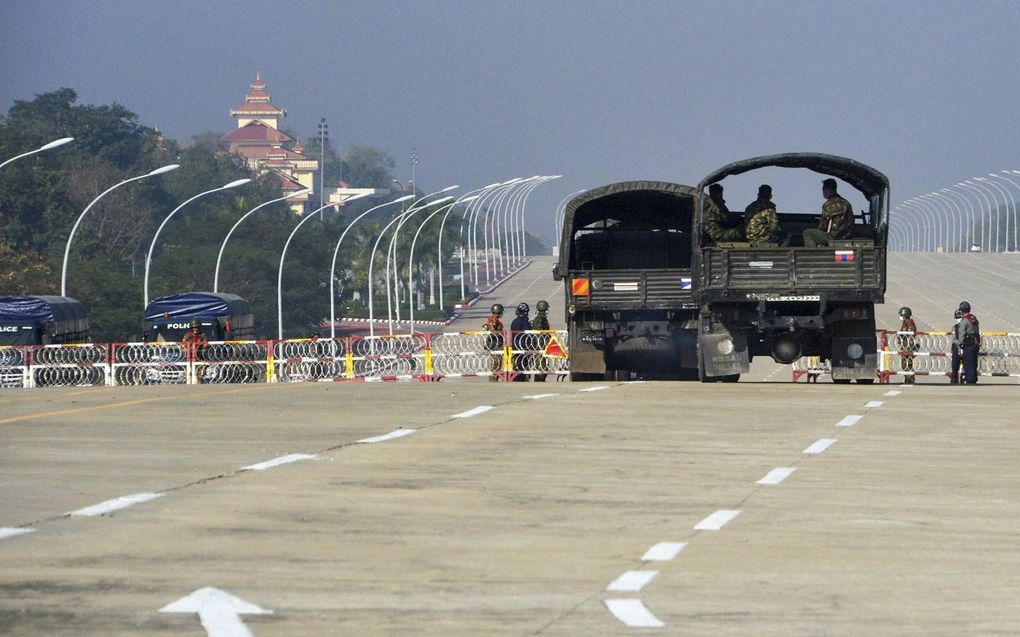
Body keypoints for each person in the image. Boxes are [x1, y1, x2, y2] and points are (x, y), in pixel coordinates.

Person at [804, 178, 854, 247]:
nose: (823, 193)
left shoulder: (828, 205)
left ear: (829, 190)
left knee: (807, 233)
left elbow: (823, 226)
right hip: (846, 236)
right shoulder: (846, 203)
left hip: (833, 237)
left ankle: (812, 254)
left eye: (824, 190)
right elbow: (851, 220)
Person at [957, 300, 981, 384]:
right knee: (974, 363)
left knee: (968, 363)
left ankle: (970, 381)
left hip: (969, 344)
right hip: (976, 344)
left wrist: (959, 344)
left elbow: (962, 334)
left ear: (962, 311)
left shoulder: (964, 321)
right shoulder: (973, 318)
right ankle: (973, 379)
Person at [510, 302, 532, 381]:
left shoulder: (514, 321)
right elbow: (528, 334)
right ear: (525, 312)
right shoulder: (524, 322)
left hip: (515, 346)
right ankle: (521, 378)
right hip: (523, 347)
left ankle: (515, 378)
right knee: (523, 365)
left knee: (516, 364)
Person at [483, 303, 504, 382]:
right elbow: (493, 331)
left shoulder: (495, 320)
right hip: (495, 344)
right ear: (497, 312)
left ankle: (495, 378)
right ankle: (493, 379)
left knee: (498, 363)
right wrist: (500, 333)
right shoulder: (492, 321)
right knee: (496, 363)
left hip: (497, 344)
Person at [532, 300, 551, 382]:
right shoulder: (540, 320)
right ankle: (539, 379)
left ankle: (541, 379)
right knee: (541, 363)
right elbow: (540, 332)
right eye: (546, 309)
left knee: (544, 363)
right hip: (540, 345)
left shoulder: (542, 319)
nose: (547, 311)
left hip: (542, 344)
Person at [897, 306, 917, 384]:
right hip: (904, 346)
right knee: (904, 364)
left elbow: (911, 336)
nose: (900, 317)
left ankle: (910, 380)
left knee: (908, 364)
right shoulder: (905, 323)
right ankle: (907, 379)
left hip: (908, 347)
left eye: (901, 315)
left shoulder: (910, 323)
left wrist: (908, 348)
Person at [949, 309, 963, 384]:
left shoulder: (966, 326)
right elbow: (954, 338)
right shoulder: (955, 327)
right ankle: (954, 381)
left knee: (957, 367)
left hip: (962, 347)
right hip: (958, 348)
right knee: (955, 367)